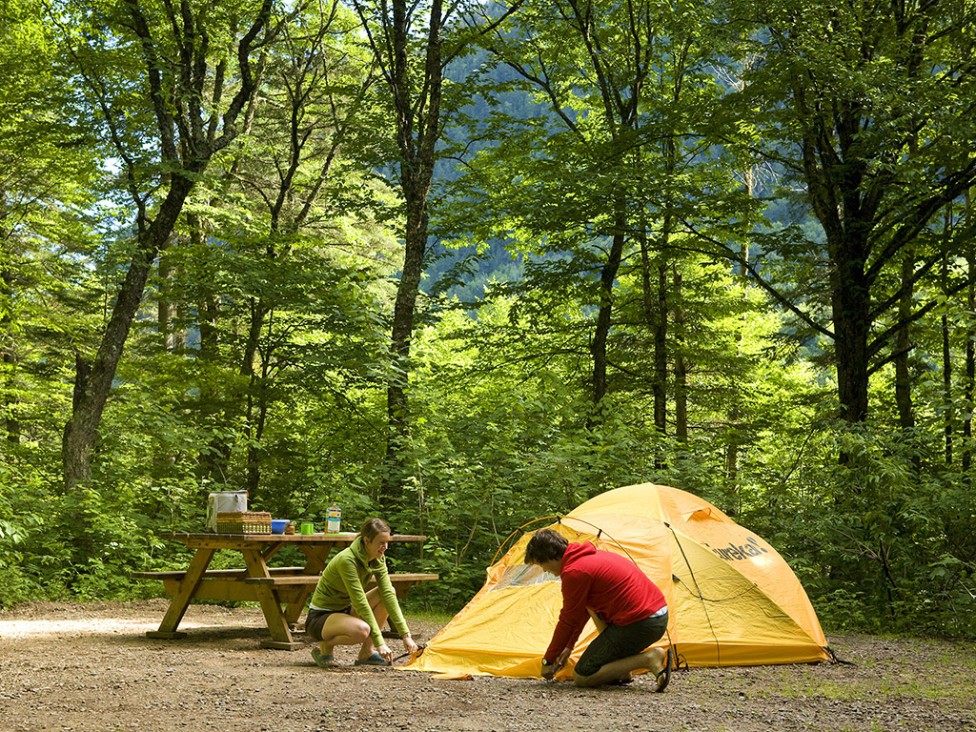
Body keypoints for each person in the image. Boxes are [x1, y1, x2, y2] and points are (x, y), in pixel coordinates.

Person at [524, 528, 672, 690]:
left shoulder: (574, 571)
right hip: (657, 616)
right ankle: (622, 672)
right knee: (592, 609)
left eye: (541, 564)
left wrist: (548, 660)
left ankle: (649, 658)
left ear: (548, 556)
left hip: (640, 624)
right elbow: (580, 612)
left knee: (583, 675)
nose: (545, 570)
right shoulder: (588, 556)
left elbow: (568, 619)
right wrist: (569, 646)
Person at [306, 518, 419, 667]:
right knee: (362, 631)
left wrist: (406, 635)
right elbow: (360, 602)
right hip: (320, 618)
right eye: (381, 542)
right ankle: (325, 647)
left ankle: (367, 652)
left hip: (345, 610)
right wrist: (381, 643)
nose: (385, 547)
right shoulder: (347, 560)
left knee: (388, 592)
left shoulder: (377, 558)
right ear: (367, 540)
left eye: (387, 542)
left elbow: (387, 594)